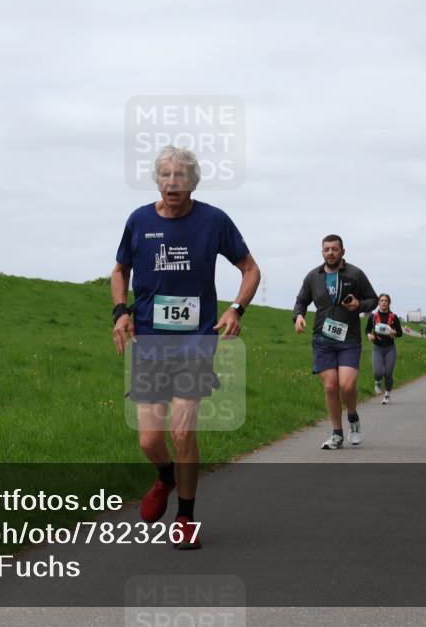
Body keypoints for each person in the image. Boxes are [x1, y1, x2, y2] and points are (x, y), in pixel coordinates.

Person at [112, 145, 261, 550]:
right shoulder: (139, 221)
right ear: (157, 180)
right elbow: (119, 270)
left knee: (182, 430)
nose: (172, 182)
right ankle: (165, 477)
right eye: (165, 175)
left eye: (180, 176)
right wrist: (120, 313)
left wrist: (236, 309)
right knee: (149, 440)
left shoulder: (214, 221)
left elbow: (250, 269)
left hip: (196, 341)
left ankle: (185, 517)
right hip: (150, 342)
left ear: (192, 182)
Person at [293, 235, 378, 449]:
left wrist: (359, 305)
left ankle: (353, 417)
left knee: (347, 386)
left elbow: (373, 300)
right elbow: (301, 300)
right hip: (323, 339)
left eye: (334, 249)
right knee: (331, 387)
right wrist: (299, 316)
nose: (330, 252)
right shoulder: (313, 276)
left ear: (342, 251)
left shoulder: (355, 274)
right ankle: (337, 434)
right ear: (322, 252)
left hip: (349, 338)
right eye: (326, 249)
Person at [366, 294, 403, 404]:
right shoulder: (372, 317)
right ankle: (377, 382)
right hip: (377, 347)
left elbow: (400, 333)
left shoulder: (394, 317)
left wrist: (394, 332)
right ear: (378, 303)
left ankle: (387, 395)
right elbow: (367, 329)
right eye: (381, 300)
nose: (383, 303)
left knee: (388, 373)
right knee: (378, 372)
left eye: (386, 301)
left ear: (389, 303)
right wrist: (368, 335)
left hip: (390, 348)